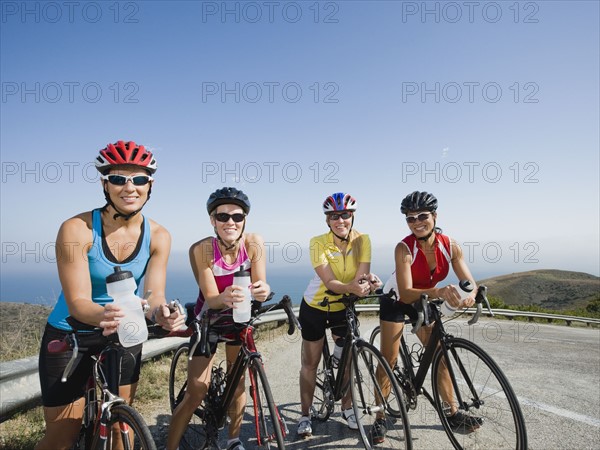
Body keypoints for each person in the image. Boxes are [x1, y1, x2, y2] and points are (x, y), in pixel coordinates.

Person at [36, 140, 185, 450]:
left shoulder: (159, 236)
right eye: (118, 178)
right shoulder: (75, 229)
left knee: (121, 429)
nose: (129, 187)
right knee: (61, 438)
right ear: (105, 184)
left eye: (139, 179)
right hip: (71, 334)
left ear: (150, 184)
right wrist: (107, 315)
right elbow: (78, 302)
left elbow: (154, 295)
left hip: (124, 332)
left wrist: (161, 313)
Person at [372, 191, 481, 444]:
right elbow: (407, 292)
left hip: (424, 298)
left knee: (440, 352)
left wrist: (471, 294)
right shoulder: (404, 248)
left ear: (435, 216)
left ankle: (452, 412)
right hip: (397, 299)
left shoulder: (450, 245)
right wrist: (439, 291)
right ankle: (378, 417)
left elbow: (469, 281)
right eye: (410, 219)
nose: (417, 222)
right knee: (388, 357)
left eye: (422, 216)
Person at [167, 187, 271, 450]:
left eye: (237, 217)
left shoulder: (254, 243)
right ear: (212, 220)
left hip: (239, 317)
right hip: (209, 320)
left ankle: (234, 440)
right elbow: (211, 297)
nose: (230, 222)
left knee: (237, 388)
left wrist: (263, 291)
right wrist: (225, 296)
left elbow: (261, 286)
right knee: (196, 393)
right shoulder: (201, 249)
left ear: (245, 220)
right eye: (222, 217)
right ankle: (169, 446)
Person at [297, 192, 381, 437]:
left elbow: (361, 277)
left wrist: (369, 283)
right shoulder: (317, 242)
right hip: (315, 306)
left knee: (348, 362)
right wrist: (353, 288)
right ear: (327, 220)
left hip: (343, 306)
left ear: (352, 216)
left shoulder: (363, 240)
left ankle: (347, 408)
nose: (340, 220)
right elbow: (330, 281)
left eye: (345, 214)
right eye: (334, 215)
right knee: (310, 364)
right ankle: (304, 415)